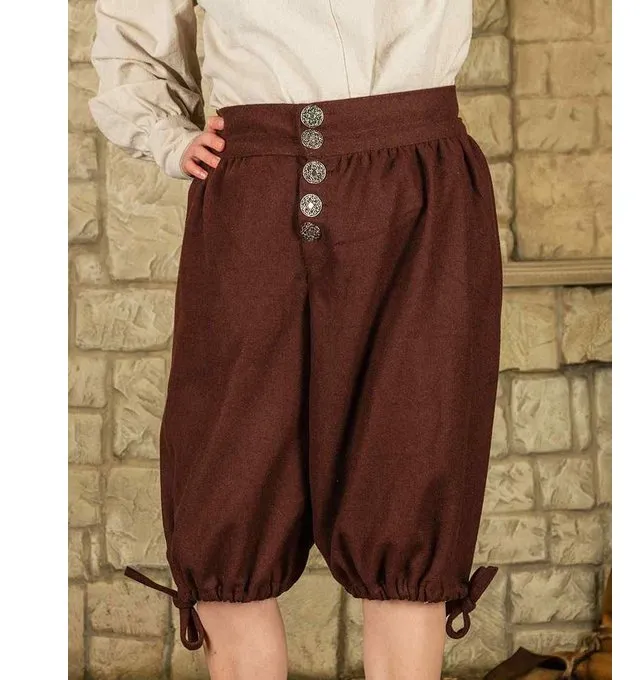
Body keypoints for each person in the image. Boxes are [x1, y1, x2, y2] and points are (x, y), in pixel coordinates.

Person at [88, 1, 503, 678]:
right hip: (254, 181)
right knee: (226, 486)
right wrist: (165, 134)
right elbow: (135, 34)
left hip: (418, 182)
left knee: (408, 476)